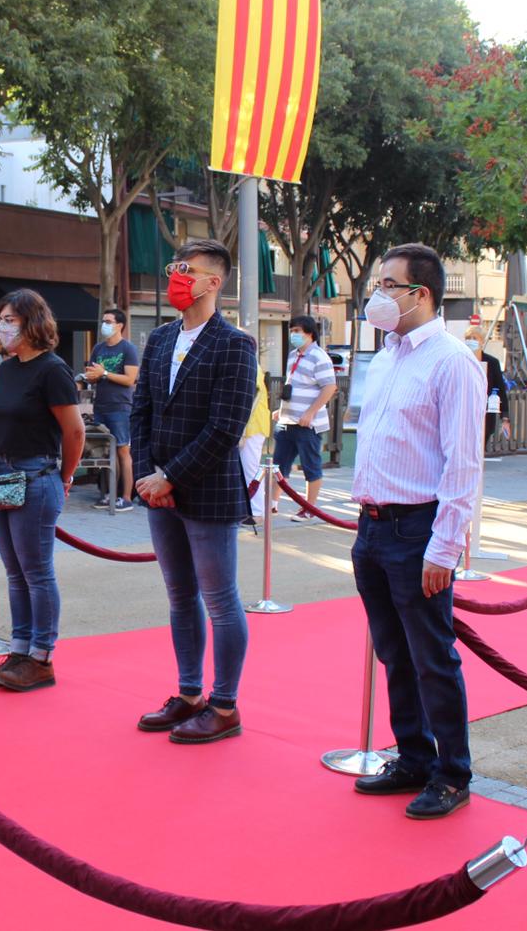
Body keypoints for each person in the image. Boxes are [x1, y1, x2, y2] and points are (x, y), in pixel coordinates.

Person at [349, 243, 483, 820]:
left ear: (419, 293)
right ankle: (412, 757)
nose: (377, 295)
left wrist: (446, 545)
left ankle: (452, 773)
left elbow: (463, 463)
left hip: (417, 526)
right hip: (372, 525)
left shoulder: (453, 361)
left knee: (432, 657)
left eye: (387, 285)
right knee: (393, 653)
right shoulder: (386, 355)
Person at [130, 239, 257, 744]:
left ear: (214, 282)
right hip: (158, 489)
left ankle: (225, 705)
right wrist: (147, 476)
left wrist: (172, 476)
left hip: (207, 490)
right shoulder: (159, 339)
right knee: (180, 597)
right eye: (174, 268)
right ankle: (188, 694)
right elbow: (140, 412)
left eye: (188, 270)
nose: (177, 277)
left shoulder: (234, 344)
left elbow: (227, 426)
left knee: (220, 600)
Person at [0, 289, 85, 691]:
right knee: (15, 572)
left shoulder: (52, 370)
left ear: (32, 323)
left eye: (12, 320)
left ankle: (42, 656)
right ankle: (20, 648)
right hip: (1, 471)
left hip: (37, 475)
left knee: (37, 572)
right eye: (0, 320)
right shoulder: (5, 369)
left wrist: (66, 476)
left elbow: (73, 431)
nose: (4, 327)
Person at [271, 315, 338, 522]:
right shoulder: (293, 355)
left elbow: (329, 387)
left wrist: (310, 412)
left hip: (308, 425)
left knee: (311, 466)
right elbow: (294, 385)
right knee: (278, 466)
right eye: (292, 331)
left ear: (310, 333)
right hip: (287, 421)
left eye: (297, 331)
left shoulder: (319, 357)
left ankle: (309, 508)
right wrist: (281, 411)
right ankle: (272, 504)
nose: (294, 335)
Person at [86, 307, 139, 512]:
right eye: (104, 321)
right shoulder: (98, 348)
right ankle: (108, 494)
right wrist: (87, 377)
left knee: (123, 450)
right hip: (101, 405)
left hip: (120, 407)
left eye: (108, 322)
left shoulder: (128, 349)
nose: (104, 325)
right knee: (105, 453)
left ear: (119, 325)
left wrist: (105, 373)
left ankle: (126, 498)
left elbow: (130, 379)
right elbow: (92, 373)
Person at [463, 325, 510, 447]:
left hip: (486, 414)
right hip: (464, 411)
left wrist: (505, 417)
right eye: (468, 338)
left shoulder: (492, 362)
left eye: (475, 338)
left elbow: (500, 388)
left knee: (480, 447)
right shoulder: (460, 359)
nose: (471, 340)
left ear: (482, 342)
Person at [238, 364, 271, 524]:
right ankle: (248, 509)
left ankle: (256, 511)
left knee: (250, 468)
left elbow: (252, 397)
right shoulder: (248, 364)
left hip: (252, 426)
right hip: (247, 426)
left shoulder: (251, 365)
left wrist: (241, 429)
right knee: (246, 468)